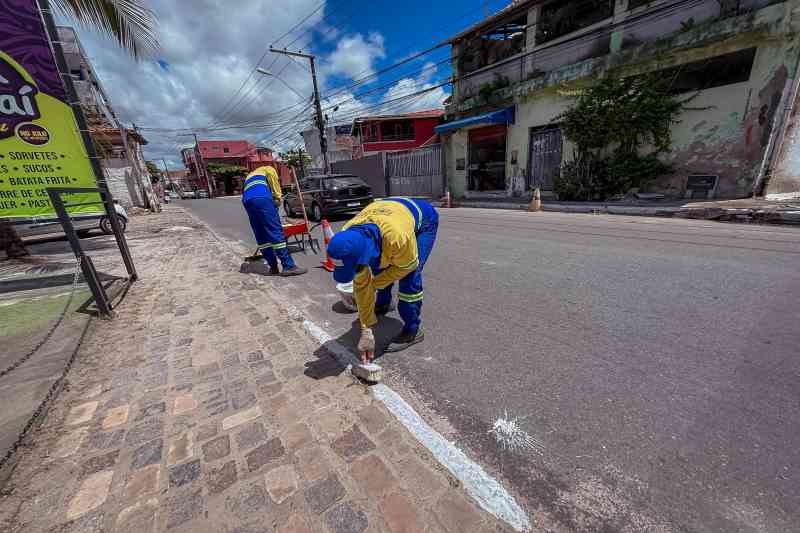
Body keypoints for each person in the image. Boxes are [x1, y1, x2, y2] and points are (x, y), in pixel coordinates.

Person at [327, 197, 438, 361]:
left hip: (423, 218)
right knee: (378, 264)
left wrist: (375, 284)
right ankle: (384, 303)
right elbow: (362, 285)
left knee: (409, 277)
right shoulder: (348, 235)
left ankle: (412, 331)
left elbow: (407, 265)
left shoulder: (397, 237)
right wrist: (366, 329)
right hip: (389, 212)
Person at [242, 165, 306, 277]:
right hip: (261, 198)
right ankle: (288, 266)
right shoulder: (268, 168)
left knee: (261, 233)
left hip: (247, 201)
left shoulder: (250, 176)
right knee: (274, 231)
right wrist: (277, 199)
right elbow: (275, 187)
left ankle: (273, 267)